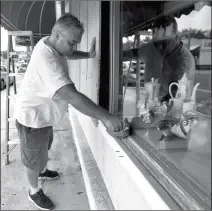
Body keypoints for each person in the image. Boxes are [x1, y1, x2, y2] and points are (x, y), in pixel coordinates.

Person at [14, 13, 123, 210]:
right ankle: (33, 191)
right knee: (32, 160)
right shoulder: (48, 62)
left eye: (76, 43)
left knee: (44, 148)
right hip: (32, 118)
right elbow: (73, 96)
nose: (73, 47)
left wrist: (88, 55)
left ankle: (43, 169)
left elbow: (68, 53)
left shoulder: (51, 42)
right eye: (72, 42)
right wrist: (106, 117)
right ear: (57, 34)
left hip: (45, 115)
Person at [123, 15, 195, 102]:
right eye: (157, 43)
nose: (160, 47)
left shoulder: (184, 60)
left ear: (176, 38)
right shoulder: (151, 48)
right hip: (153, 108)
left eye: (165, 42)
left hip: (175, 111)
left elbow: (174, 95)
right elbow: (132, 53)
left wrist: (155, 108)